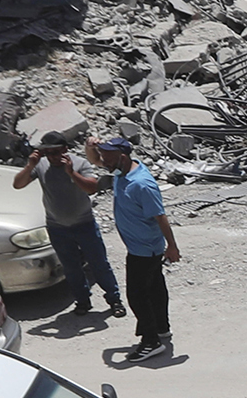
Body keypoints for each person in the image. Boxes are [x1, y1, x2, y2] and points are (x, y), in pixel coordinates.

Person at [13, 131, 126, 318]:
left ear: (65, 149)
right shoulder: (41, 166)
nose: (53, 157)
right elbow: (18, 184)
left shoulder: (80, 163)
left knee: (99, 264)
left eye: (56, 152)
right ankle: (82, 301)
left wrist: (71, 172)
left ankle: (114, 300)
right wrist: (29, 165)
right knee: (71, 267)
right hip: (57, 227)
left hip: (84, 223)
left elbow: (92, 187)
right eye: (48, 153)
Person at [94, 134, 178, 362]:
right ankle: (162, 328)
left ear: (121, 157)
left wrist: (172, 246)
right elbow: (97, 159)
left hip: (145, 249)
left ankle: (151, 341)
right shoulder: (122, 172)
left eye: (108, 158)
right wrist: (92, 146)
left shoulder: (141, 184)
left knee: (137, 296)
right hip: (142, 247)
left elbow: (161, 216)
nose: (104, 163)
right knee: (155, 288)